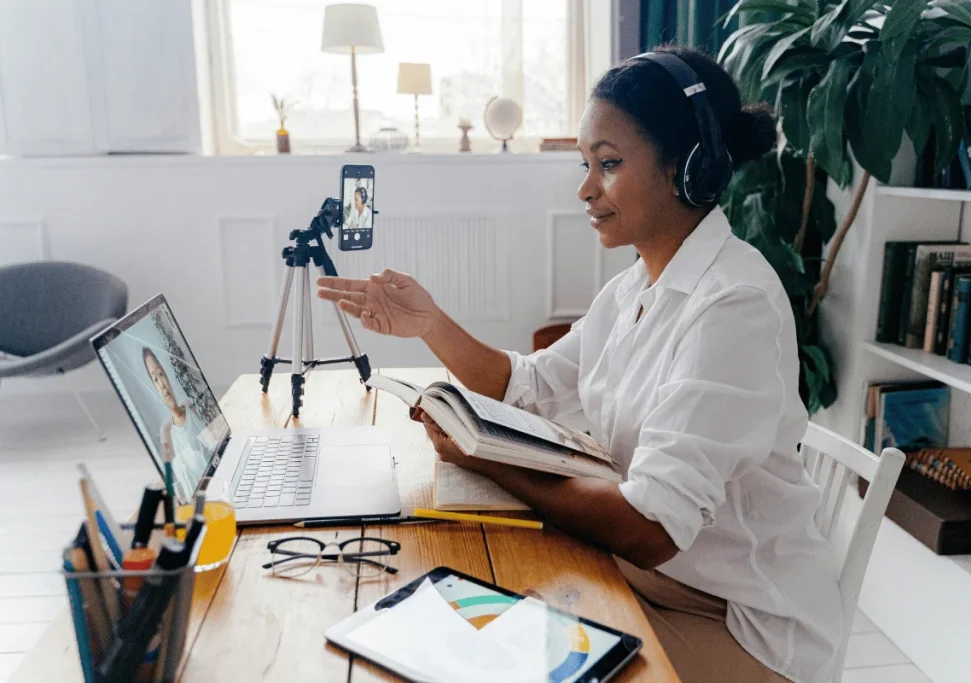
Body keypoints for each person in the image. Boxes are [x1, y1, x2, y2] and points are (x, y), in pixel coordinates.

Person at [317, 46, 841, 683]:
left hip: (741, 622)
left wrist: (486, 457)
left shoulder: (734, 304)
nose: (586, 188)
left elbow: (652, 528)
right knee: (472, 621)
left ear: (690, 169)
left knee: (505, 659)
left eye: (609, 164)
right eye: (586, 164)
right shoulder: (632, 291)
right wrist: (430, 324)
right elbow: (527, 386)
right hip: (647, 577)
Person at [142, 347, 211, 499]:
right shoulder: (166, 432)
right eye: (155, 379)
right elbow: (177, 486)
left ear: (167, 374)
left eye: (161, 374)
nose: (161, 384)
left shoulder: (191, 407)